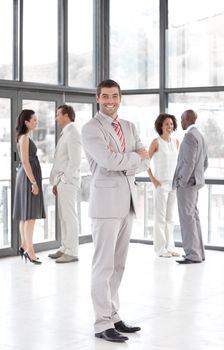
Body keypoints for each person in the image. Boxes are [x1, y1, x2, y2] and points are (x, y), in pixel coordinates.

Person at [81, 79, 150, 343]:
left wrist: (129, 160)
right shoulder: (91, 129)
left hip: (127, 203)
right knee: (103, 265)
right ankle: (101, 324)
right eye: (105, 96)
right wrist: (134, 157)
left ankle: (113, 314)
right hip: (105, 206)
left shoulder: (130, 127)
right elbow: (109, 161)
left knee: (118, 265)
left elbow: (145, 161)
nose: (111, 101)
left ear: (120, 98)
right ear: (98, 98)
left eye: (115, 96)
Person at [172, 109, 208, 264]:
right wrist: (197, 177)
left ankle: (192, 254)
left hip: (187, 186)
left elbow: (188, 163)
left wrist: (182, 181)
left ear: (187, 119)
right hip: (195, 183)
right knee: (193, 217)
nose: (180, 122)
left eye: (181, 119)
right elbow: (205, 163)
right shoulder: (201, 136)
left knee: (187, 219)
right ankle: (199, 253)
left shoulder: (189, 137)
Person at [49, 104, 81, 263]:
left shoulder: (73, 131)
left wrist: (64, 179)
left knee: (69, 216)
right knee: (63, 216)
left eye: (58, 115)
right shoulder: (66, 132)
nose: (56, 118)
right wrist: (56, 183)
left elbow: (75, 160)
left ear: (66, 115)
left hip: (68, 182)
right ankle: (65, 247)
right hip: (61, 182)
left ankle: (73, 251)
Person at [13, 109, 46, 265]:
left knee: (25, 215)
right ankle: (30, 250)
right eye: (34, 120)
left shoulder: (23, 137)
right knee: (30, 216)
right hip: (28, 177)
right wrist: (34, 182)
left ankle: (24, 245)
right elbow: (25, 162)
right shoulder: (25, 138)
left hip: (24, 176)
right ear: (26, 122)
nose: (36, 122)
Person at [147, 113, 180, 258]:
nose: (169, 127)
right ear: (161, 126)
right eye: (167, 124)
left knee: (170, 218)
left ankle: (170, 246)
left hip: (173, 184)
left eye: (171, 124)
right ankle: (160, 248)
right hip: (160, 184)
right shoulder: (156, 142)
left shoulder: (176, 142)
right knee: (160, 218)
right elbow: (145, 162)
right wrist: (153, 179)